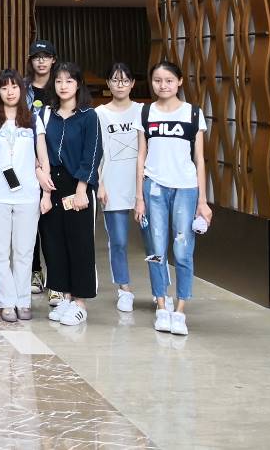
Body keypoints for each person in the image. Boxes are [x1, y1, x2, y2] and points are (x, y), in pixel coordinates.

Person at [134, 60, 212, 336]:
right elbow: (141, 156)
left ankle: (180, 311)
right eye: (157, 80)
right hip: (153, 186)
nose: (163, 85)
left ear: (179, 82)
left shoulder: (193, 113)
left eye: (169, 80)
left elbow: (199, 159)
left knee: (182, 250)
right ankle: (161, 306)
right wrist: (139, 197)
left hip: (186, 188)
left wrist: (202, 201)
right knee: (156, 250)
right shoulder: (146, 112)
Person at [0, 70, 54, 322]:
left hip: (28, 195)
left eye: (14, 87)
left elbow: (43, 158)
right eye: (4, 87)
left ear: (22, 90)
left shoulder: (32, 120)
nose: (9, 92)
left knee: (24, 251)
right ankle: (6, 301)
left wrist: (46, 194)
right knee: (0, 252)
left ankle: (23, 300)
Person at [40, 61, 102, 327]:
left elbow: (93, 153)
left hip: (77, 184)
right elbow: (38, 148)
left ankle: (80, 303)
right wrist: (41, 177)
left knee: (80, 244)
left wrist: (82, 189)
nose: (63, 86)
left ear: (78, 84)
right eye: (58, 81)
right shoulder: (46, 114)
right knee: (54, 243)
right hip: (50, 185)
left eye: (69, 81)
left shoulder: (88, 115)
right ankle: (64, 296)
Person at [96, 62, 145, 314]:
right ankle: (124, 289)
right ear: (108, 83)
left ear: (132, 84)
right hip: (112, 184)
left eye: (125, 80)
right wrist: (100, 183)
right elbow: (96, 152)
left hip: (141, 186)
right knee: (119, 241)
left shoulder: (143, 111)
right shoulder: (99, 114)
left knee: (154, 242)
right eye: (115, 80)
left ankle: (161, 291)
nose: (120, 85)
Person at [24, 39, 56, 299]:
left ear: (53, 60)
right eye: (37, 56)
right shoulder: (23, 89)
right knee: (31, 223)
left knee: (52, 225)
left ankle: (55, 277)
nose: (41, 61)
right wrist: (34, 163)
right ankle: (34, 271)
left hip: (58, 162)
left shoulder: (61, 85)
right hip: (29, 163)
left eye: (46, 56)